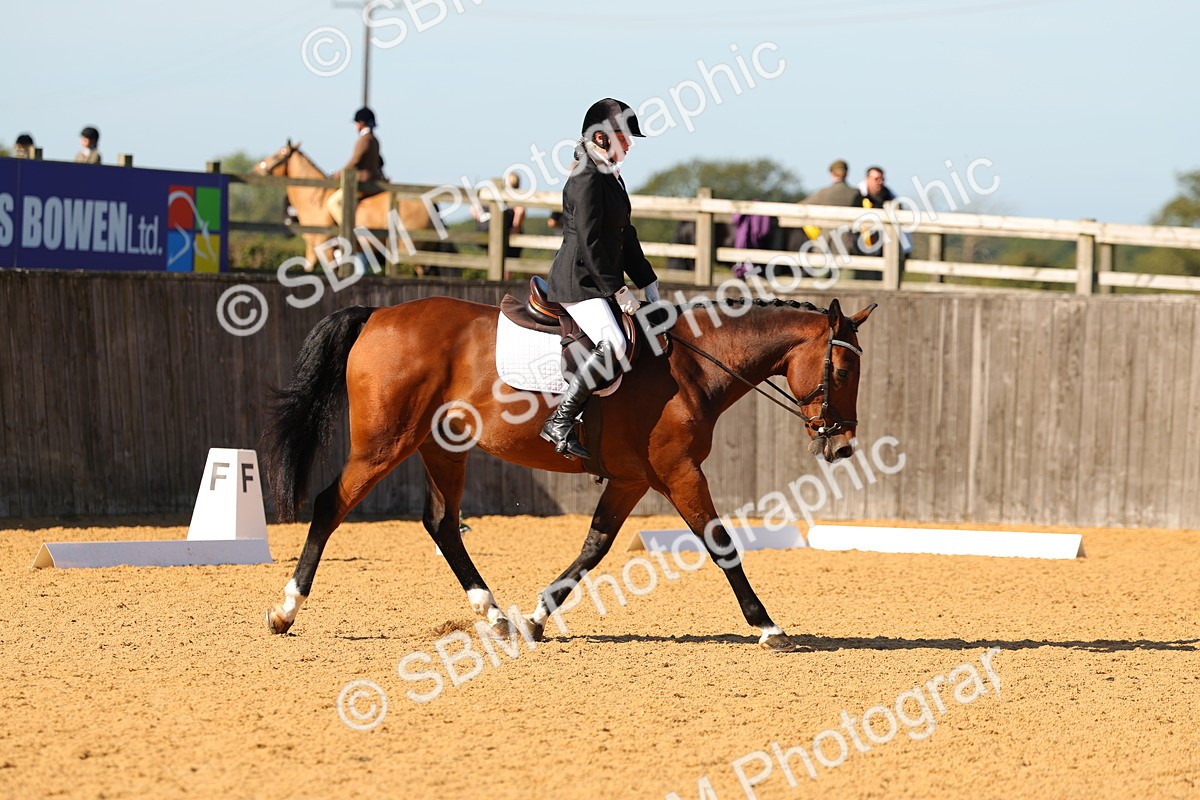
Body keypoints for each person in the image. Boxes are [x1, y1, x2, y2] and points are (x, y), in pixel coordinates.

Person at [540, 97, 659, 460]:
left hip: (597, 279)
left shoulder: (610, 174)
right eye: (625, 136)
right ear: (603, 137)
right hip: (579, 281)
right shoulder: (586, 176)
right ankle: (560, 421)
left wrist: (648, 283)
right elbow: (590, 243)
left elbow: (625, 234)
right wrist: (618, 289)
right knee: (616, 344)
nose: (631, 144)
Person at [325, 107, 385, 224]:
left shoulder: (364, 140)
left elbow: (354, 162)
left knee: (333, 202)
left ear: (361, 123)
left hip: (362, 182)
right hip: (373, 179)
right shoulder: (375, 139)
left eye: (356, 123)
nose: (355, 126)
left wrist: (337, 175)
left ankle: (348, 230)